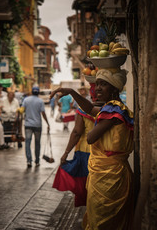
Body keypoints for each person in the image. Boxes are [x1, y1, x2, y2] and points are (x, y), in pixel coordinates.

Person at [50, 68, 134, 230]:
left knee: (102, 220)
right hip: (110, 172)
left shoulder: (113, 110)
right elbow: (90, 109)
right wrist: (73, 93)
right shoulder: (115, 108)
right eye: (98, 84)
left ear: (114, 89)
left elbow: (90, 137)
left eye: (104, 84)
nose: (98, 88)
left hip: (109, 176)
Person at [52, 84, 101, 207]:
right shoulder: (110, 109)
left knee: (87, 187)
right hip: (103, 153)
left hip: (85, 153)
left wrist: (66, 153)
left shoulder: (83, 109)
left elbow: (76, 132)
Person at [20, 86, 50, 168]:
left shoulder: (26, 100)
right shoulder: (40, 101)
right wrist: (47, 123)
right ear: (38, 92)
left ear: (32, 92)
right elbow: (43, 113)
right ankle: (37, 161)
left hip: (28, 125)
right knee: (37, 143)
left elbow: (22, 110)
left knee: (27, 143)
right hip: (37, 125)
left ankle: (29, 161)